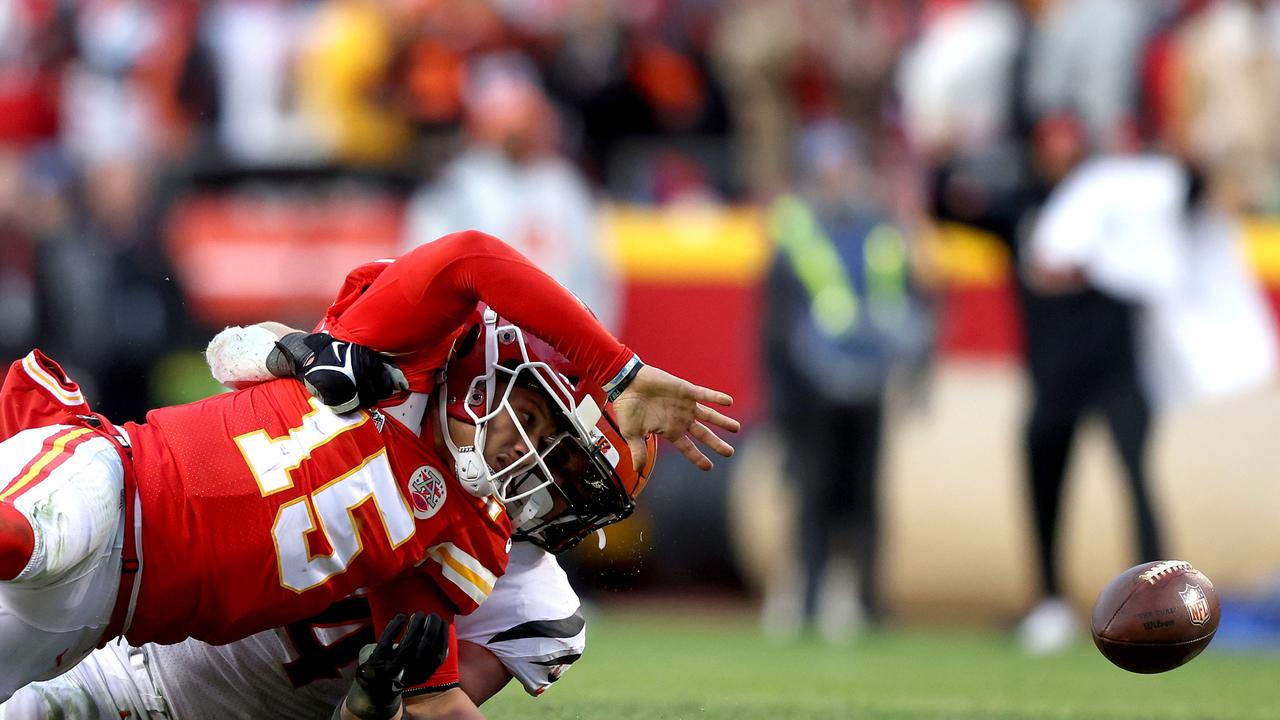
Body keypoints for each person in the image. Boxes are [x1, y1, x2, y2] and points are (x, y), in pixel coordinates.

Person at [0, 230, 739, 717]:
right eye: (548, 437)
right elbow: (465, 260)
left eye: (572, 479)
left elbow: (429, 699)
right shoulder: (407, 351)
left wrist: (373, 700)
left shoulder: (461, 543)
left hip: (114, 624)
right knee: (27, 538)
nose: (538, 469)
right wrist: (621, 370)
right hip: (118, 496)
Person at [760, 119, 931, 641]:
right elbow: (776, 322)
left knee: (865, 496)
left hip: (870, 381)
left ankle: (868, 601)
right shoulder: (798, 231)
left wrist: (915, 369)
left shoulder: (883, 230)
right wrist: (780, 394)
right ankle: (809, 599)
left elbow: (913, 300)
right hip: (814, 387)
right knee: (813, 492)